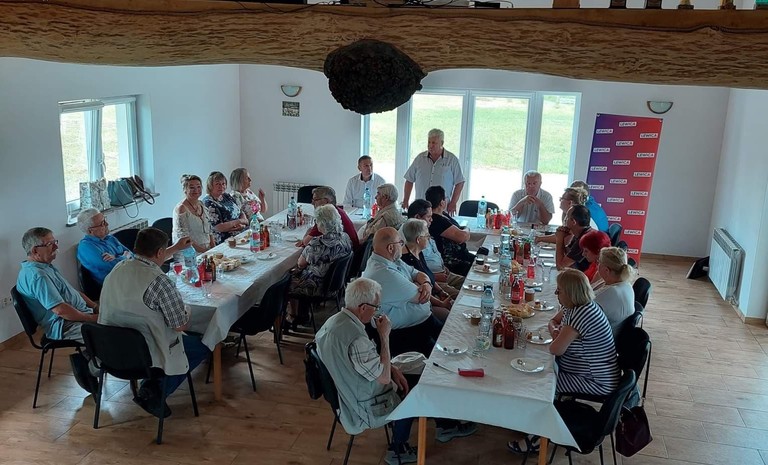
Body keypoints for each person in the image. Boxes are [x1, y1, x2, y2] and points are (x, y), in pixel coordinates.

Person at [316, 278, 475, 465]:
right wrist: (384, 335)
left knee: (412, 375)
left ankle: (444, 425)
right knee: (420, 387)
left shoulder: (333, 322)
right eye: (376, 307)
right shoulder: (356, 339)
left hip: (348, 390)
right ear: (363, 307)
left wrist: (393, 368)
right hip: (363, 404)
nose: (378, 311)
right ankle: (398, 448)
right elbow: (383, 378)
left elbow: (364, 363)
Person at [99, 228, 209, 418]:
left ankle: (151, 386)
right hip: (146, 352)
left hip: (110, 348)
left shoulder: (117, 269)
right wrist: (187, 310)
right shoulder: (159, 281)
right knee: (203, 345)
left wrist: (174, 248)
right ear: (159, 252)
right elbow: (180, 325)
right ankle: (155, 390)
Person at [362, 227, 444, 357]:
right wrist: (421, 285)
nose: (403, 245)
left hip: (422, 323)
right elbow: (422, 297)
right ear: (390, 248)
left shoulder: (393, 260)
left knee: (453, 339)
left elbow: (418, 274)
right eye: (400, 242)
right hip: (406, 334)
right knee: (446, 353)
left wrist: (426, 284)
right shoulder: (384, 272)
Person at [17, 227, 99, 343]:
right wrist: (91, 318)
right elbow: (61, 311)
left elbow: (73, 292)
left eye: (55, 242)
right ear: (35, 251)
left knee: (119, 321)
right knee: (113, 336)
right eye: (50, 244)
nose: (56, 246)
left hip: (80, 315)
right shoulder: (38, 276)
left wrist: (95, 307)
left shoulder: (45, 266)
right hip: (65, 324)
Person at [547, 269, 620, 396]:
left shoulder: (582, 314)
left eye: (559, 290)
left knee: (542, 382)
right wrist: (555, 330)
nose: (555, 293)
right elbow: (553, 321)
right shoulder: (575, 305)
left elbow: (555, 349)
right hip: (583, 373)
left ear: (570, 293)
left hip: (594, 380)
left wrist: (557, 335)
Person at [286, 205, 353, 328]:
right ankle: (302, 313)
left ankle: (293, 315)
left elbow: (301, 263)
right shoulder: (345, 237)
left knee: (284, 281)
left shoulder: (318, 243)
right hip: (335, 285)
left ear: (321, 224)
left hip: (318, 286)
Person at [402, 129, 465, 215]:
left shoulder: (452, 160)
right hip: (421, 207)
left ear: (442, 143)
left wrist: (453, 202)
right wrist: (405, 200)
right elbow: (409, 180)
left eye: (434, 143)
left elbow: (460, 182)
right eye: (429, 142)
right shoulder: (420, 159)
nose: (430, 146)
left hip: (441, 208)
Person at [406, 200, 464, 293]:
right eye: (429, 217)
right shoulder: (410, 237)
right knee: (461, 295)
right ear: (417, 217)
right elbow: (412, 270)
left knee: (469, 284)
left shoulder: (425, 230)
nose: (431, 220)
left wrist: (443, 267)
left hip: (443, 272)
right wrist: (434, 276)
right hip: (433, 279)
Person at [400, 219, 453, 320]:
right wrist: (441, 303)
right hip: (422, 302)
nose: (429, 238)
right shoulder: (405, 260)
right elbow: (419, 291)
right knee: (448, 315)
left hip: (433, 294)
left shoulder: (418, 252)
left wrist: (440, 291)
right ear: (418, 239)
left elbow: (428, 276)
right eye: (427, 236)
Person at [425, 186, 474, 276]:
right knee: (480, 267)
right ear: (442, 202)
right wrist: (467, 229)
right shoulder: (436, 220)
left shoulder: (442, 214)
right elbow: (462, 237)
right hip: (453, 262)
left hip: (461, 255)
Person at [76, 208, 133, 285]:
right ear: (90, 230)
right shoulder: (85, 247)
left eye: (105, 220)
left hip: (129, 276)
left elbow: (132, 255)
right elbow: (114, 267)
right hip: (116, 285)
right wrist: (124, 256)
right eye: (102, 223)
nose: (107, 224)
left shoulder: (110, 238)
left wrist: (116, 258)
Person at [594, 247, 635, 336]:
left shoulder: (610, 292)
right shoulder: (626, 285)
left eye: (599, 262)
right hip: (610, 334)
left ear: (606, 270)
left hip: (601, 339)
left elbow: (581, 311)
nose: (597, 265)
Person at [202, 171, 249, 245]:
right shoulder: (208, 202)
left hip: (240, 232)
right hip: (225, 238)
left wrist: (243, 224)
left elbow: (240, 211)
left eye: (223, 183)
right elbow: (219, 227)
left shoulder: (226, 196)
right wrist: (240, 221)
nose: (221, 186)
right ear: (210, 186)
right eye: (217, 184)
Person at [173, 174, 215, 253]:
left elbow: (209, 230)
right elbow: (185, 238)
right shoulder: (181, 209)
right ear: (185, 190)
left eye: (198, 187)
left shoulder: (201, 204)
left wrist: (214, 248)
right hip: (189, 252)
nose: (196, 190)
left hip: (206, 249)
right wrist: (204, 252)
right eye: (192, 187)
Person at [555, 205, 592, 272]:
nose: (565, 219)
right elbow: (568, 254)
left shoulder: (585, 239)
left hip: (586, 276)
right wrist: (564, 237)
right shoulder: (581, 232)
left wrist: (559, 239)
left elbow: (560, 267)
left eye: (567, 217)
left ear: (573, 221)